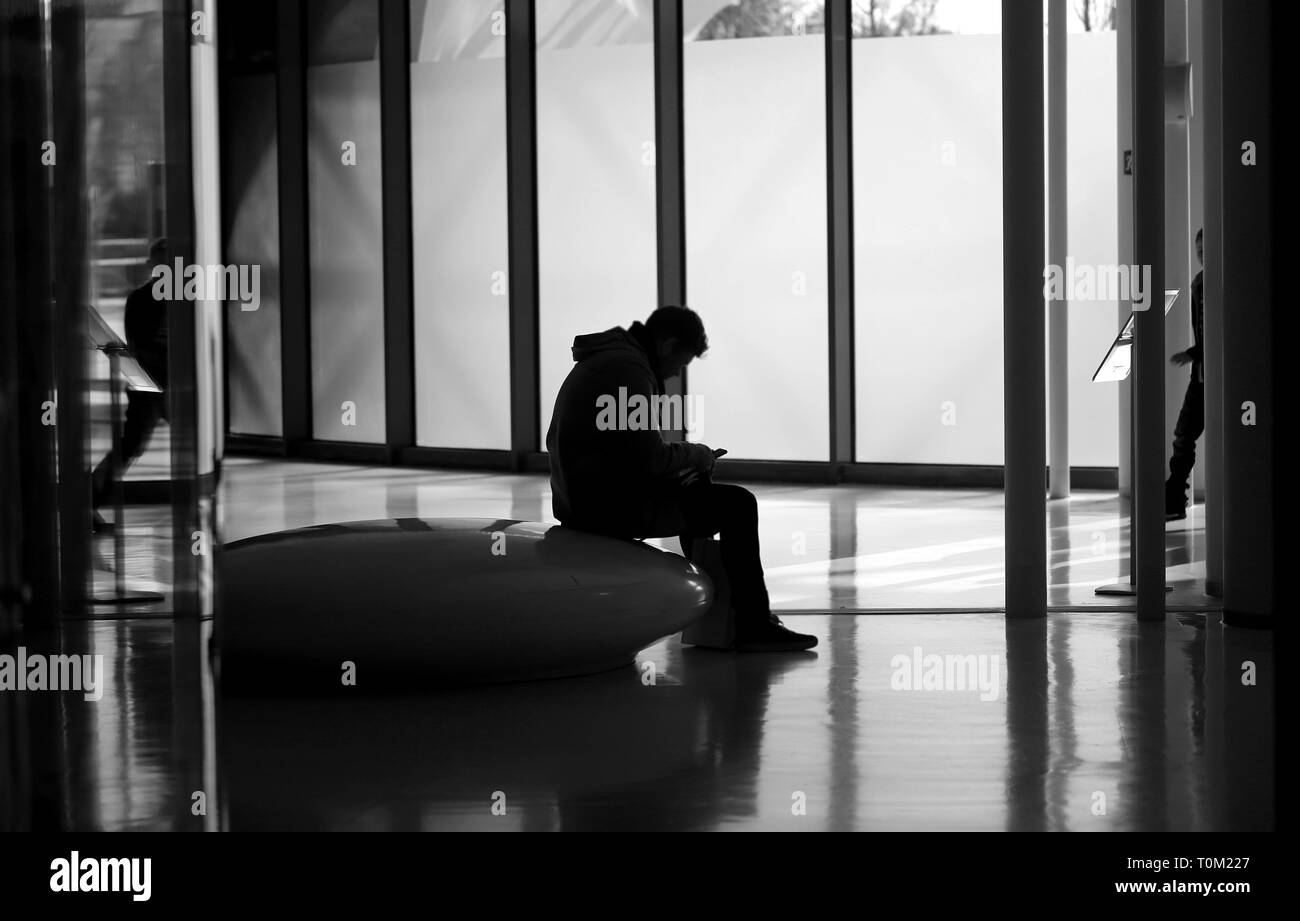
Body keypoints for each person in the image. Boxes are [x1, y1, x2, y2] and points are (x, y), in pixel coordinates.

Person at [546, 305, 817, 653]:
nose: (676, 374)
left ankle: (725, 615)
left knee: (694, 485)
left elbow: (630, 452)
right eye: (682, 362)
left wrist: (687, 463)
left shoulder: (608, 360)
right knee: (738, 505)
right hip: (605, 508)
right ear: (667, 345)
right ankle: (750, 622)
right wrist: (698, 454)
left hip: (582, 498)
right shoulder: (627, 371)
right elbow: (650, 458)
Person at [91, 238, 169, 531]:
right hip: (157, 382)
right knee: (130, 445)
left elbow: (138, 345)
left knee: (130, 445)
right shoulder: (185, 298)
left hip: (150, 383)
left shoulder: (140, 299)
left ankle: (88, 501)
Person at [1165, 229, 1205, 521]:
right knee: (1183, 435)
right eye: (1198, 250)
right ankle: (1174, 497)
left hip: (1214, 374)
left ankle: (1174, 496)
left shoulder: (1211, 283)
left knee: (1184, 435)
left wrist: (1192, 354)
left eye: (1205, 249)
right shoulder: (1198, 284)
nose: (1201, 255)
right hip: (1202, 375)